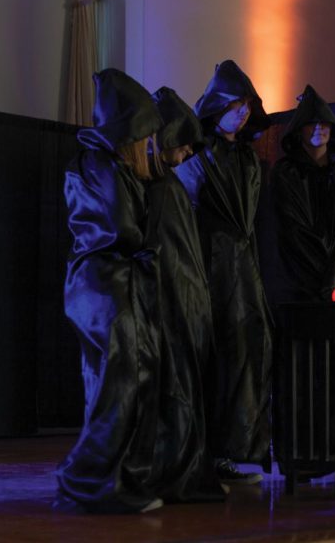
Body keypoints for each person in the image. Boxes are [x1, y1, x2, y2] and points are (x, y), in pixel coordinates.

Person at [56, 69, 165, 513]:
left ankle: (108, 482)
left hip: (99, 285)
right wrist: (147, 245)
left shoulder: (98, 163)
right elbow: (121, 227)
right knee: (121, 384)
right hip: (105, 286)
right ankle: (88, 480)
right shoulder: (102, 164)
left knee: (113, 384)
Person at [175, 60, 272, 484]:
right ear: (218, 106)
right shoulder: (199, 157)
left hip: (244, 271)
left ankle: (236, 449)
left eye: (248, 105)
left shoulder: (249, 161)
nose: (244, 112)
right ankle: (211, 453)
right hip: (210, 268)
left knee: (246, 354)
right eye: (236, 104)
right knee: (214, 358)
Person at [268, 84, 335, 475]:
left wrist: (331, 274)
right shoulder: (285, 174)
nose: (318, 132)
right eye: (311, 126)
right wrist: (318, 273)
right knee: (301, 370)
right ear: (300, 130)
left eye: (324, 126)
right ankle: (301, 458)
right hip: (297, 284)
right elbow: (293, 228)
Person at [143, 86, 225, 501]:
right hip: (173, 306)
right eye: (185, 145)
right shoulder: (160, 188)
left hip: (184, 305)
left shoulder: (167, 186)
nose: (189, 153)